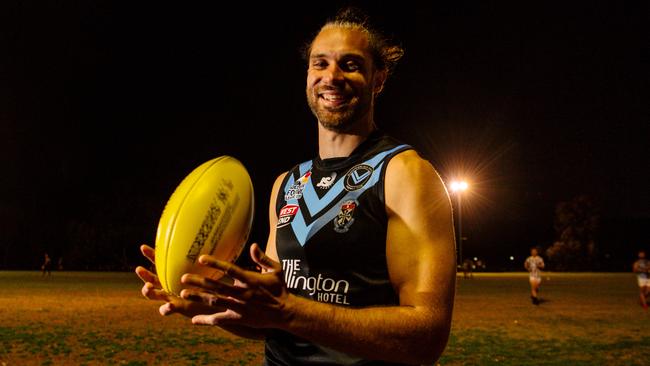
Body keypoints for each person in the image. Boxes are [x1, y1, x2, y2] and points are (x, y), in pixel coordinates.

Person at [136, 7, 456, 365]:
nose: (332, 76)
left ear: (378, 79)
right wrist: (217, 301)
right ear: (307, 75)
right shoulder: (286, 185)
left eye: (350, 64)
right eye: (320, 64)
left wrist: (289, 312)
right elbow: (272, 318)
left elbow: (426, 337)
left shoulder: (405, 173)